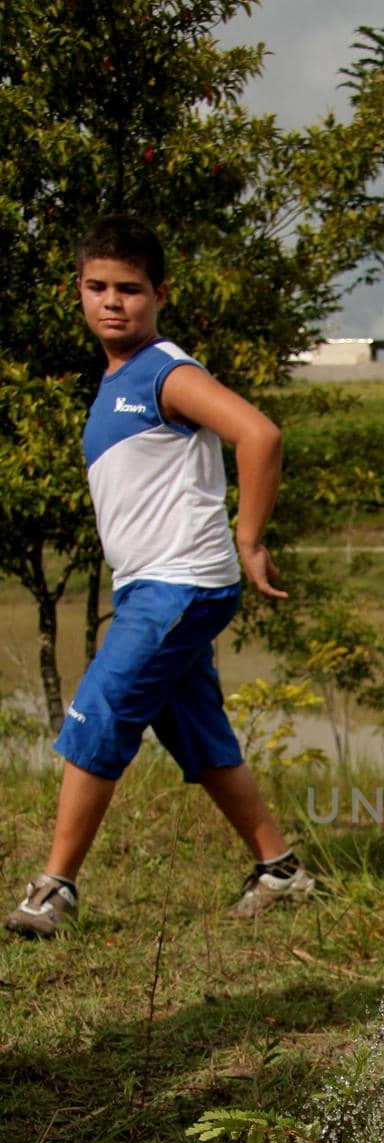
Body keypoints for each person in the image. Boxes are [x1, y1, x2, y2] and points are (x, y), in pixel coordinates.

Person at [6, 214, 314, 939]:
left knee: (99, 710)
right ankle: (281, 870)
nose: (113, 302)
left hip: (180, 584)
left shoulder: (165, 373)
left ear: (159, 294)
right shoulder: (118, 377)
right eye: (97, 287)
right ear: (76, 289)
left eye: (130, 290)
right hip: (154, 586)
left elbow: (258, 434)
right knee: (198, 734)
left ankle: (55, 890)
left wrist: (250, 537)